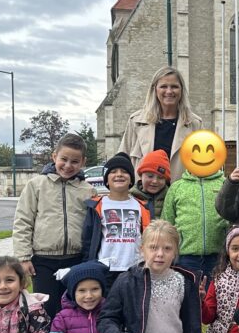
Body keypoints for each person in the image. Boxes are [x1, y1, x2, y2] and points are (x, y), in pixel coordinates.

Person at [13, 133, 94, 319]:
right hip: (43, 261)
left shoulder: (87, 190)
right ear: (54, 156)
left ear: (83, 162)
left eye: (75, 161)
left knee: (74, 308)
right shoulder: (37, 185)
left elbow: (92, 227)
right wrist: (23, 257)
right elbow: (23, 221)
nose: (68, 165)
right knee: (46, 309)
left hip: (76, 260)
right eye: (63, 159)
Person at [118, 66, 202, 183]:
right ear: (155, 89)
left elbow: (202, 165)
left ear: (181, 90)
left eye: (174, 87)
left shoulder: (194, 124)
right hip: (142, 196)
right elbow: (122, 161)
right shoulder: (136, 121)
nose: (169, 91)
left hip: (179, 196)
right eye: (163, 86)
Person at [81, 152, 151, 290]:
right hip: (105, 269)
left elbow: (148, 237)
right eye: (113, 171)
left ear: (131, 179)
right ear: (106, 180)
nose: (119, 174)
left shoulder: (143, 206)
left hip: (134, 269)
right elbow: (87, 240)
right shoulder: (97, 205)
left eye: (124, 171)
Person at [162, 152, 228, 281]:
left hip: (219, 257)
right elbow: (167, 223)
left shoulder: (225, 184)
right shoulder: (177, 187)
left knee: (214, 298)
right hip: (185, 257)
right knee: (188, 297)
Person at [134, 149, 172, 219]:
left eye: (160, 178)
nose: (155, 181)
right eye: (150, 176)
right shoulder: (131, 198)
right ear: (141, 175)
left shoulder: (170, 198)